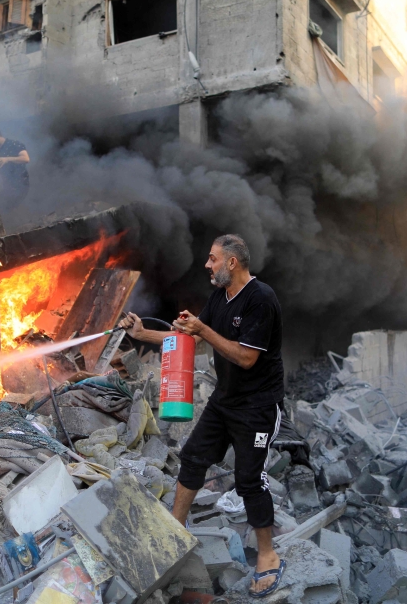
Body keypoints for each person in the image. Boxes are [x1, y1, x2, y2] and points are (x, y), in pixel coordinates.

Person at [118, 234, 286, 598]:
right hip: (225, 401)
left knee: (249, 479)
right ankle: (174, 532)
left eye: (212, 259)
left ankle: (268, 556)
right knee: (192, 457)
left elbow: (245, 357)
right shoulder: (219, 298)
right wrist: (141, 332)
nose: (207, 265)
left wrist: (203, 328)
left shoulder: (261, 300)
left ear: (232, 263)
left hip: (257, 406)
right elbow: (189, 338)